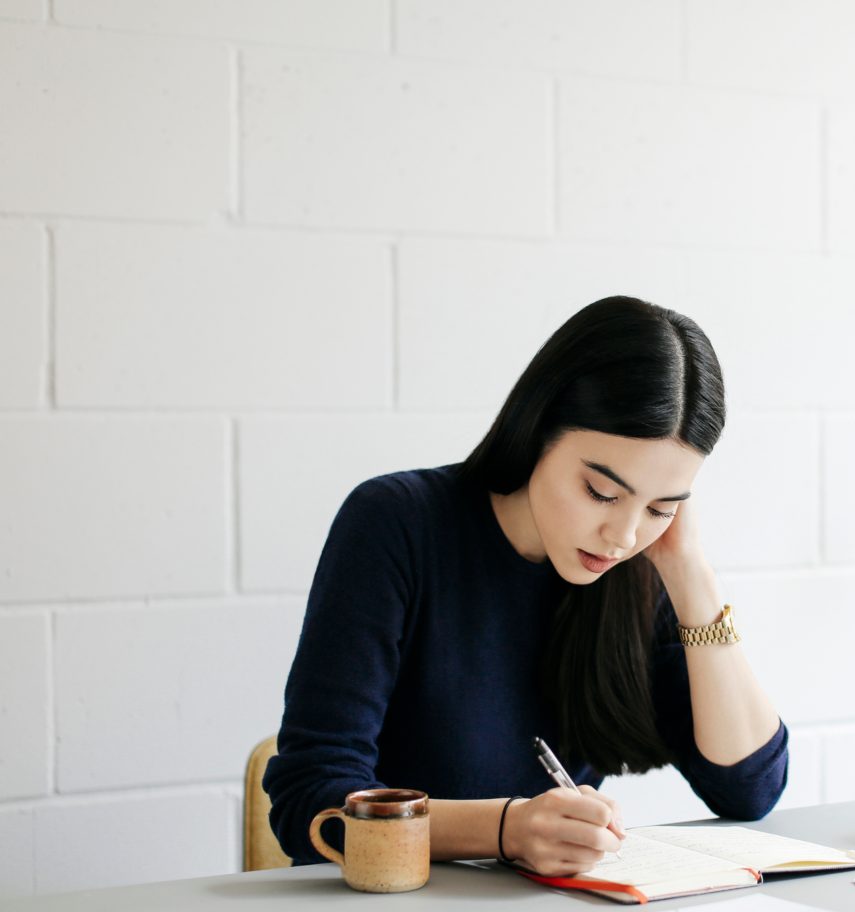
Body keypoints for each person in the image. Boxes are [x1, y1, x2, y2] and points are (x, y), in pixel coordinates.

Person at [264, 295, 788, 877]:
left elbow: (749, 789)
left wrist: (690, 572)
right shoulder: (396, 523)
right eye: (601, 493)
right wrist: (508, 829)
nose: (622, 535)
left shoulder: (636, 564)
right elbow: (311, 804)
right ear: (538, 428)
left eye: (663, 507)